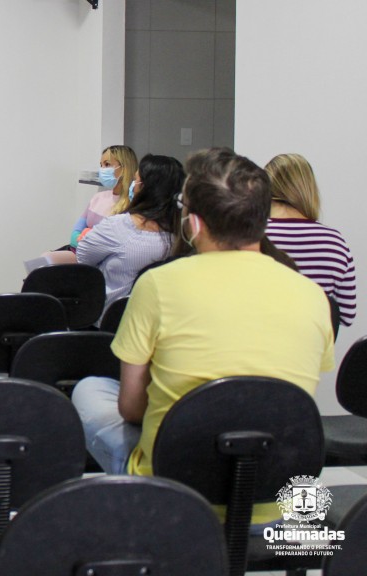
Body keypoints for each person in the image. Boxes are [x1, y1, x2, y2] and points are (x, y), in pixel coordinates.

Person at [71, 148, 334, 526]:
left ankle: (136, 497)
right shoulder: (311, 295)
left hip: (178, 490)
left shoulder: (158, 284)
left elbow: (132, 409)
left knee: (90, 389)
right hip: (275, 497)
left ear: (192, 224)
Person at [76, 154, 183, 312]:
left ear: (144, 188)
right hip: (162, 316)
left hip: (112, 316)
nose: (132, 185)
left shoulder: (119, 226)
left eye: (135, 180)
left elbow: (83, 256)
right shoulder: (184, 233)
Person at [264, 153, 356, 327]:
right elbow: (347, 315)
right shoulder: (335, 242)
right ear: (309, 190)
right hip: (313, 343)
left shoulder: (252, 236)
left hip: (260, 340)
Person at [71, 145, 138, 247]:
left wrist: (86, 237)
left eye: (107, 164)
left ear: (125, 168)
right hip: (80, 251)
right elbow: (74, 236)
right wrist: (86, 241)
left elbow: (117, 245)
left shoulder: (132, 204)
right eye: (101, 165)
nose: (102, 170)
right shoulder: (97, 197)